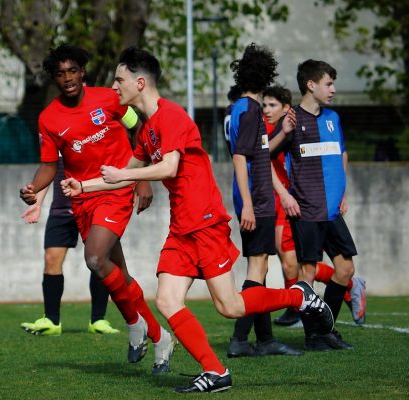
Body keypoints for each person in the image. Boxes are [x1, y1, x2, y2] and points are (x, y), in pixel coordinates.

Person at [61, 46, 334, 394]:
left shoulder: (171, 116)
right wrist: (82, 185)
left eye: (120, 80)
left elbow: (169, 167)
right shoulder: (146, 131)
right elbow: (125, 172)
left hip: (204, 221)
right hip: (181, 228)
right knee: (167, 300)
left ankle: (300, 298)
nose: (114, 87)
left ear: (140, 82)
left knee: (230, 306)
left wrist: (124, 177)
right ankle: (215, 371)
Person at [18, 44, 175, 374]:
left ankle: (136, 324)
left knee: (93, 257)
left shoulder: (109, 98)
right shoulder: (49, 118)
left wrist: (141, 178)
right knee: (118, 272)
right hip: (82, 197)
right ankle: (159, 337)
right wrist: (34, 188)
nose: (68, 78)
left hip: (115, 190)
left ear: (83, 71)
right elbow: (48, 166)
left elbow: (140, 127)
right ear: (54, 78)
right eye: (60, 73)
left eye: (72, 70)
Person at [270, 59, 361, 351]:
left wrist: (342, 191)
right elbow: (264, 155)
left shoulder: (333, 117)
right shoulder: (292, 119)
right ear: (311, 85)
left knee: (345, 269)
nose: (333, 89)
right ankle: (313, 336)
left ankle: (326, 329)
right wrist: (285, 195)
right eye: (328, 83)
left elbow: (341, 153)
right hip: (307, 209)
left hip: (332, 210)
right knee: (307, 273)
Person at [225, 44, 301, 358]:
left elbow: (256, 152)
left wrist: (280, 133)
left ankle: (266, 338)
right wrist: (249, 205)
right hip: (255, 197)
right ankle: (240, 340)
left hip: (253, 197)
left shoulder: (236, 108)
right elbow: (241, 158)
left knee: (262, 267)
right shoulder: (251, 109)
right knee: (256, 269)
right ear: (265, 75)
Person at [20, 156, 119, 335]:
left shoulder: (98, 131)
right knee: (51, 258)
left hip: (94, 205)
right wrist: (38, 203)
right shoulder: (53, 133)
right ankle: (51, 321)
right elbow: (48, 170)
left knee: (99, 260)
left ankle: (98, 320)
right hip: (61, 209)